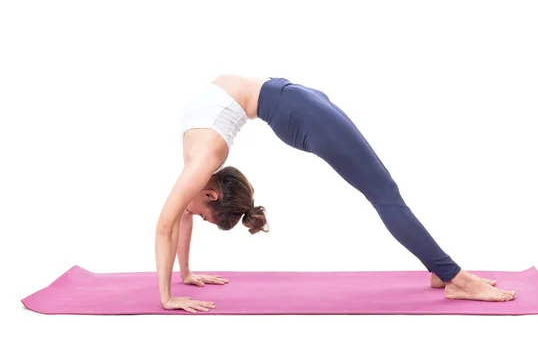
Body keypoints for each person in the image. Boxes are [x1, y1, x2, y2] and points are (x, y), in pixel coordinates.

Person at [155, 75, 516, 313]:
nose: (195, 216)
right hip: (294, 103)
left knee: (384, 194)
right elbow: (181, 216)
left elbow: (166, 223)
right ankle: (447, 273)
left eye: (204, 216)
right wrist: (182, 274)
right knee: (384, 190)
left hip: (297, 107)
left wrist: (168, 295)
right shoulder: (199, 170)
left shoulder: (203, 160)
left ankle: (451, 278)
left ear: (211, 195)